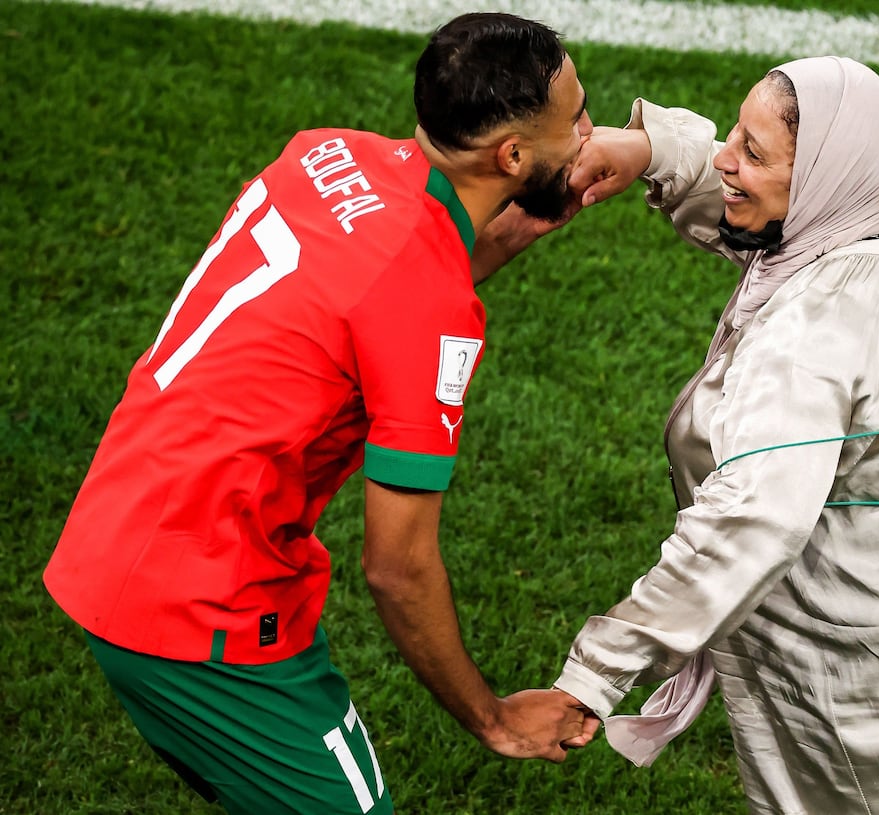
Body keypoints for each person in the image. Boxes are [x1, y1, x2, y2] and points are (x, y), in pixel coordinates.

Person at [43, 12, 598, 815]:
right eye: (576, 119)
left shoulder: (326, 152)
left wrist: (516, 229)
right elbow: (397, 566)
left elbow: (377, 285)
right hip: (201, 607)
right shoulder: (427, 305)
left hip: (120, 528)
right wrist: (496, 719)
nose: (588, 134)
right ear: (511, 157)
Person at [553, 57, 879, 813]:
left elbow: (751, 519)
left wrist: (594, 674)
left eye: (754, 152)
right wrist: (656, 149)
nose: (728, 157)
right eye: (732, 134)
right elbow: (783, 223)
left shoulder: (820, 326)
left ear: (829, 181)